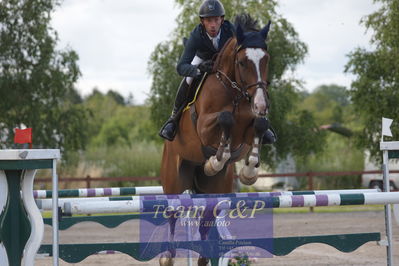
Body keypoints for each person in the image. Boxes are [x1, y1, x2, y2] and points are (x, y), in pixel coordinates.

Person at [159, 0, 276, 145]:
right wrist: (198, 69)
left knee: (245, 76)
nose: (213, 25)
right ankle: (173, 119)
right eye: (208, 20)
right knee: (188, 79)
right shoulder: (196, 35)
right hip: (202, 59)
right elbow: (181, 67)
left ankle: (260, 120)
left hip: (224, 62)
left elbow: (245, 47)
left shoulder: (230, 29)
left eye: (216, 20)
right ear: (202, 21)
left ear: (222, 19)